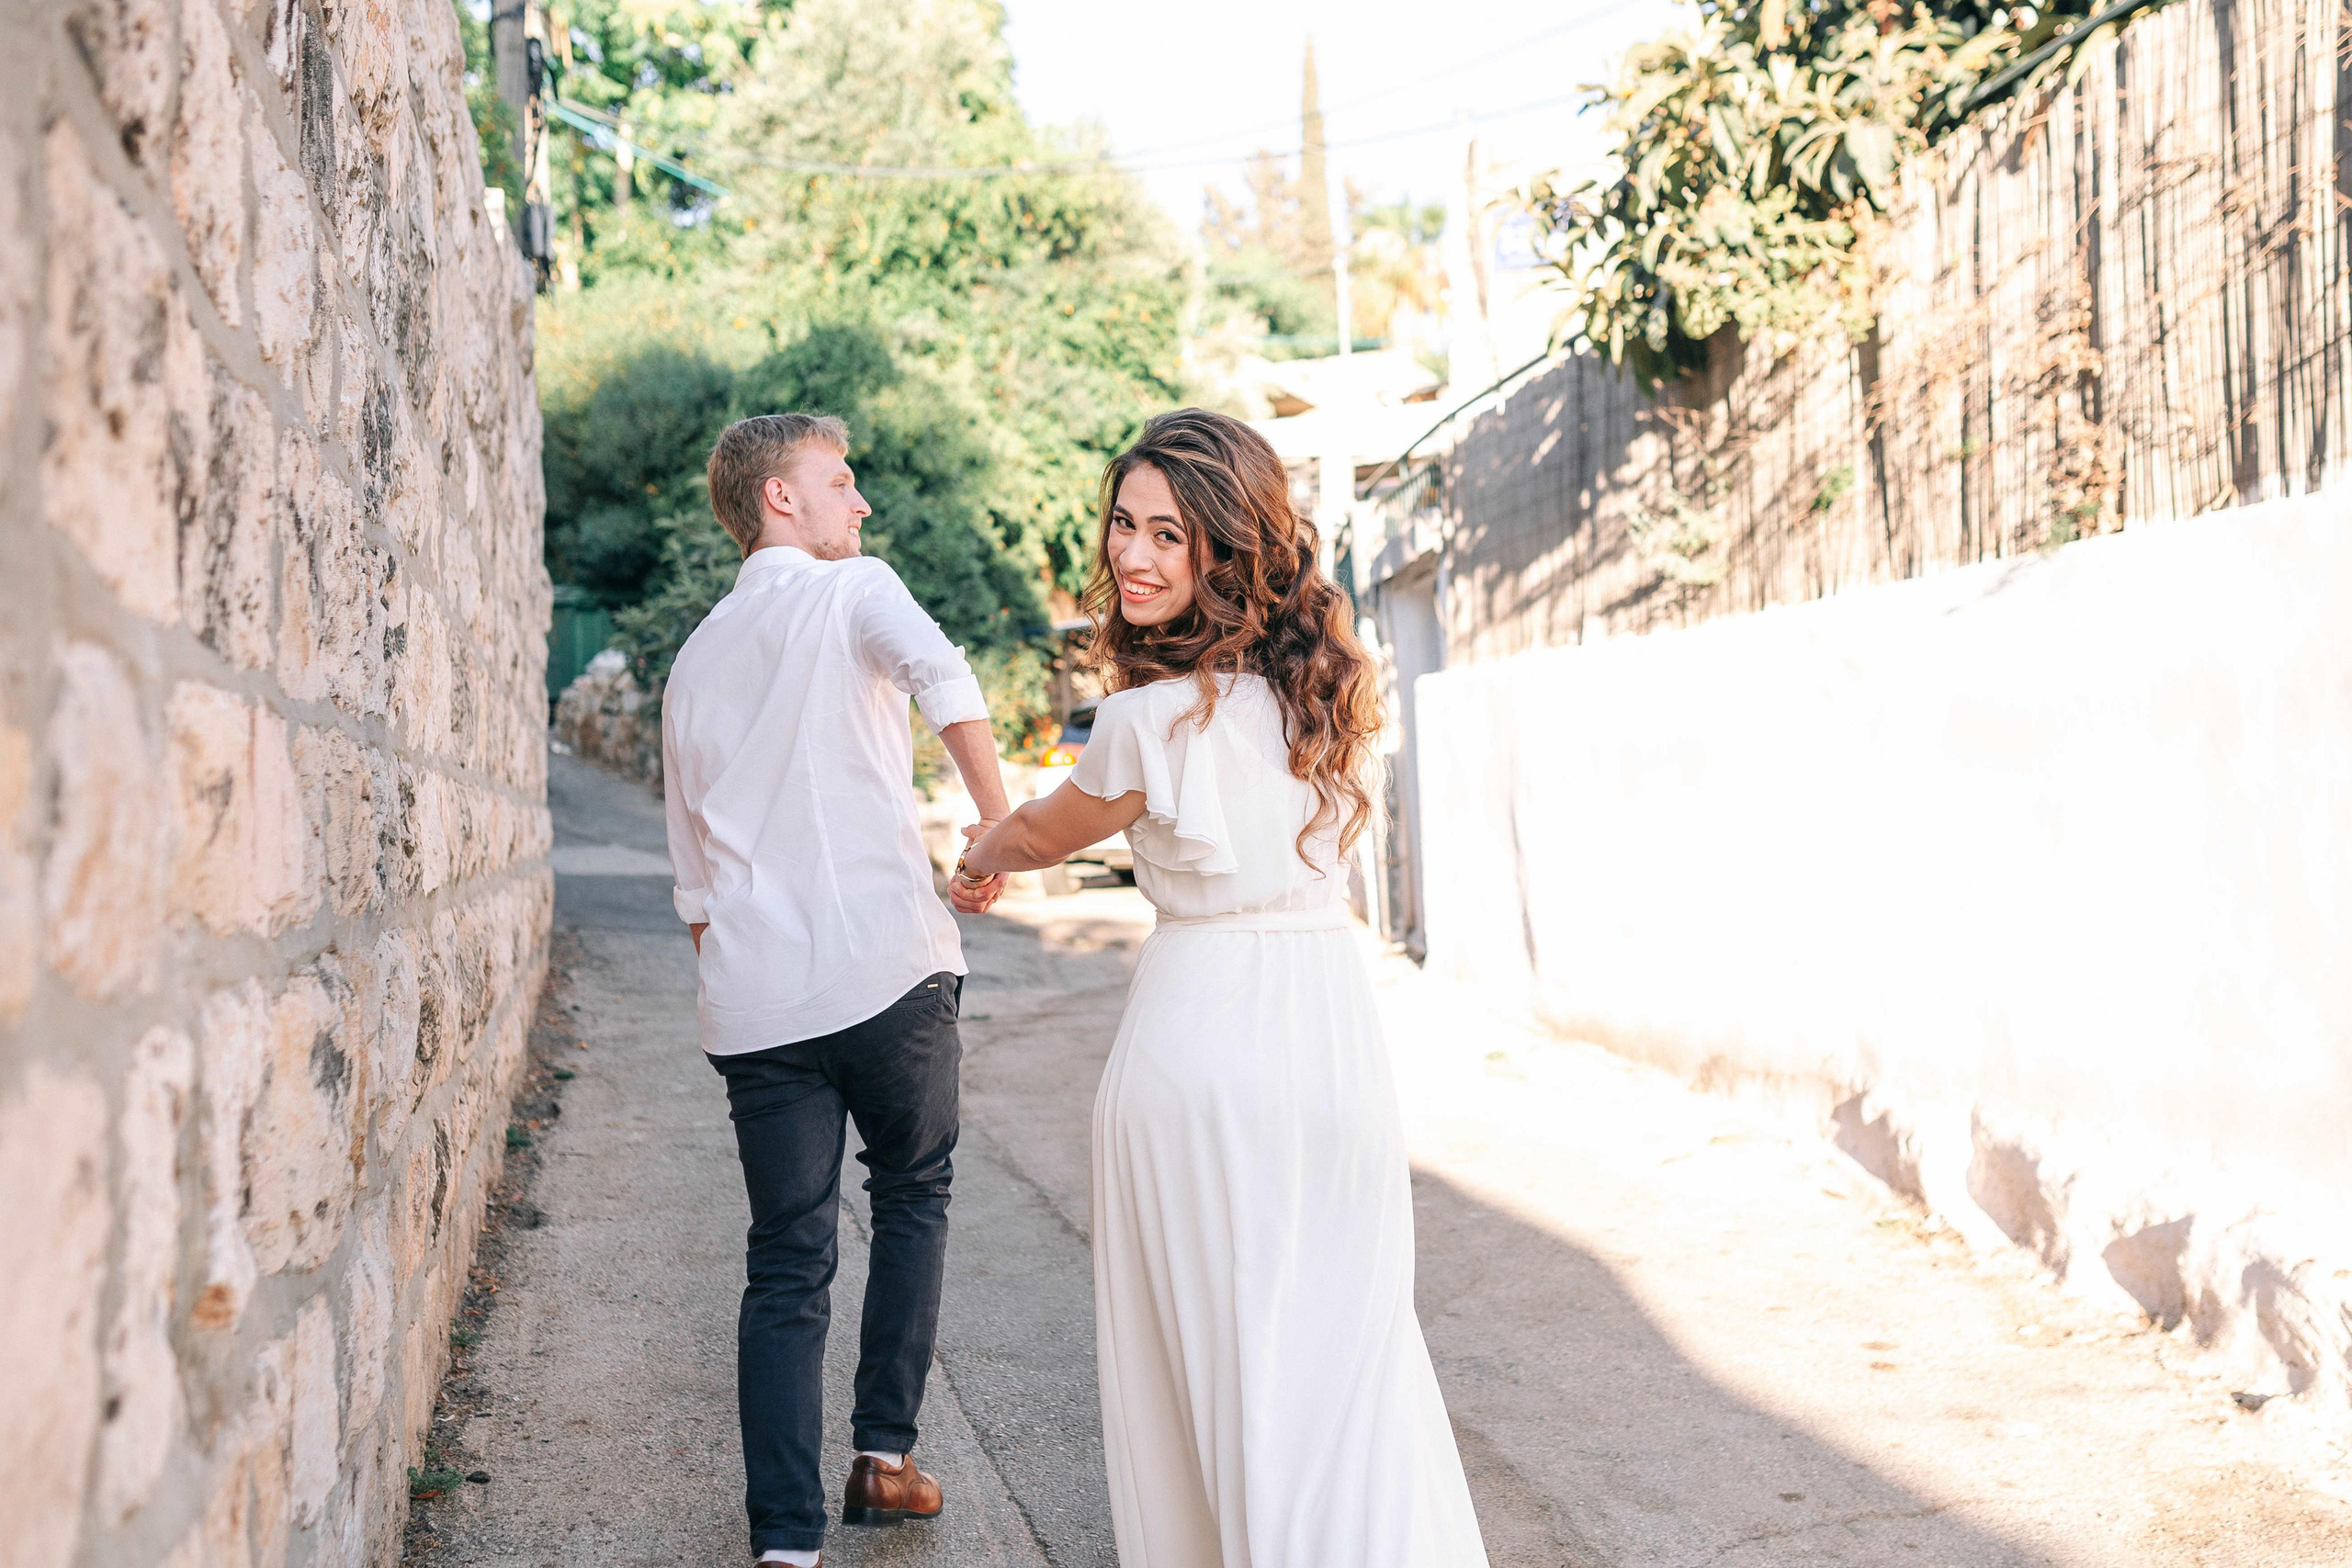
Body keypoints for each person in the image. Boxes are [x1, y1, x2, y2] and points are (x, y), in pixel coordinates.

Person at [955, 409, 1490, 1567]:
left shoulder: (1144, 722)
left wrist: (978, 852)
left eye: (1168, 535)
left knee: (1219, 1357)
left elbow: (1042, 833)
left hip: (1197, 1043)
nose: (1134, 557)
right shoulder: (1323, 699)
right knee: (1344, 1355)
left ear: (1224, 552)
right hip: (1330, 1040)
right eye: (1123, 526)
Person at [661, 412, 1012, 1568]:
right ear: (779, 501)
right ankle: (883, 1460)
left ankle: (784, 1546)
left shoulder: (693, 660)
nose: (858, 506)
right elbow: (942, 677)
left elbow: (697, 885)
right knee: (911, 1194)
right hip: (886, 968)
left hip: (757, 1001)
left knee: (786, 1258)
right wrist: (997, 828)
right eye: (839, 482)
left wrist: (749, 971)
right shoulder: (853, 587)